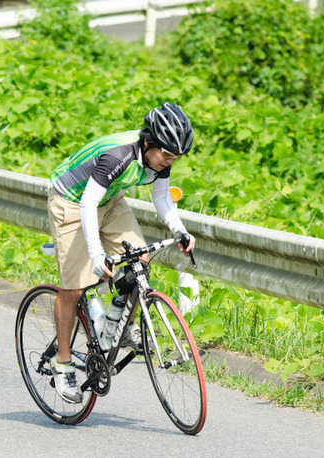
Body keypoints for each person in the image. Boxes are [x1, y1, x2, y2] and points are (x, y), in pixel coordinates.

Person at [47, 102, 196, 403]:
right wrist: (97, 254)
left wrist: (179, 230)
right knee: (74, 288)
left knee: (140, 260)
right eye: (166, 155)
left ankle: (118, 327)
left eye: (175, 157)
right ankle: (62, 364)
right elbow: (87, 204)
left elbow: (161, 197)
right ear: (147, 142)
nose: (169, 162)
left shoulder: (160, 159)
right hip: (73, 203)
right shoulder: (119, 155)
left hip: (110, 200)